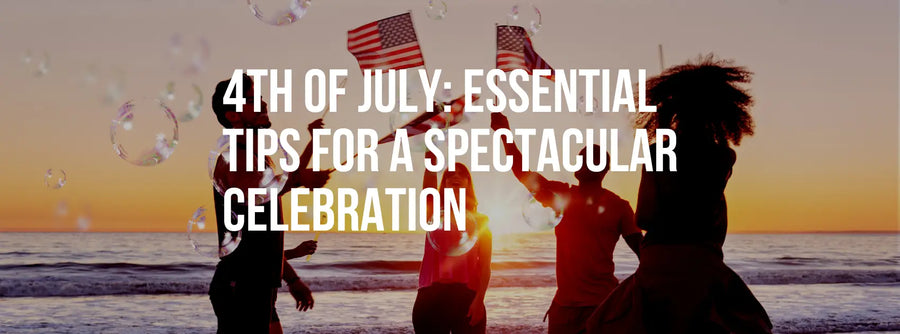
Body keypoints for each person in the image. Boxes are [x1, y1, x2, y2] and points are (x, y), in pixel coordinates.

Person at [586, 56, 772, 334]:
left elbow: (646, 214)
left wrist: (661, 127)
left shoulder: (657, 154)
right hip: (705, 269)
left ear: (676, 113)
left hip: (660, 272)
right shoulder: (722, 158)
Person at [490, 113, 642, 334]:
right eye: (580, 157)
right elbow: (522, 172)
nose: (581, 161)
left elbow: (643, 252)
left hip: (601, 307)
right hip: (563, 308)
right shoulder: (561, 196)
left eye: (588, 158)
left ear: (603, 169)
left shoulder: (619, 207)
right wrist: (504, 133)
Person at [208, 74, 332, 334]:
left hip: (255, 281)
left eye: (260, 97)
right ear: (232, 115)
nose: (263, 104)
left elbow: (274, 194)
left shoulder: (253, 157)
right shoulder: (236, 159)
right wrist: (301, 179)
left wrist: (313, 142)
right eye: (252, 100)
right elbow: (265, 196)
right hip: (240, 284)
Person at [413, 152, 492, 334]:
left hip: (467, 298)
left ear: (467, 183)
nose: (455, 176)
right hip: (431, 297)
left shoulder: (481, 221)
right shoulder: (433, 214)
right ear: (444, 184)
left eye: (461, 174)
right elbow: (428, 190)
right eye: (450, 174)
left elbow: (485, 266)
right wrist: (431, 163)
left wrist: (479, 301)